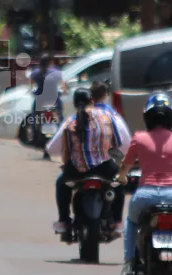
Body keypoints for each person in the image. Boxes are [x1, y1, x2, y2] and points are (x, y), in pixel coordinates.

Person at [118, 92, 172, 275]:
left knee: (131, 222)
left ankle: (129, 262)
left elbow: (125, 165)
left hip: (145, 195)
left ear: (147, 116)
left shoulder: (139, 138)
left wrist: (122, 177)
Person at [46, 87, 129, 240]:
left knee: (61, 183)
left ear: (75, 103)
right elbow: (119, 143)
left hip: (76, 170)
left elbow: (52, 149)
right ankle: (117, 221)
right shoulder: (108, 118)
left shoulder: (70, 121)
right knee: (119, 181)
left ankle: (63, 221)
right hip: (104, 168)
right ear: (92, 100)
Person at [89, 82, 132, 229]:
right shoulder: (113, 116)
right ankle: (117, 221)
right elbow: (125, 143)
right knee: (119, 183)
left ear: (91, 97)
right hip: (107, 162)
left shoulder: (83, 115)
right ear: (106, 96)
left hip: (85, 163)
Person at [31, 54, 65, 158]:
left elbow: (32, 86)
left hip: (40, 102)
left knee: (35, 119)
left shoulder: (35, 72)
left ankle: (35, 136)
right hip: (54, 102)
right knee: (61, 120)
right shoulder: (56, 72)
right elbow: (63, 86)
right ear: (50, 62)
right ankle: (62, 137)